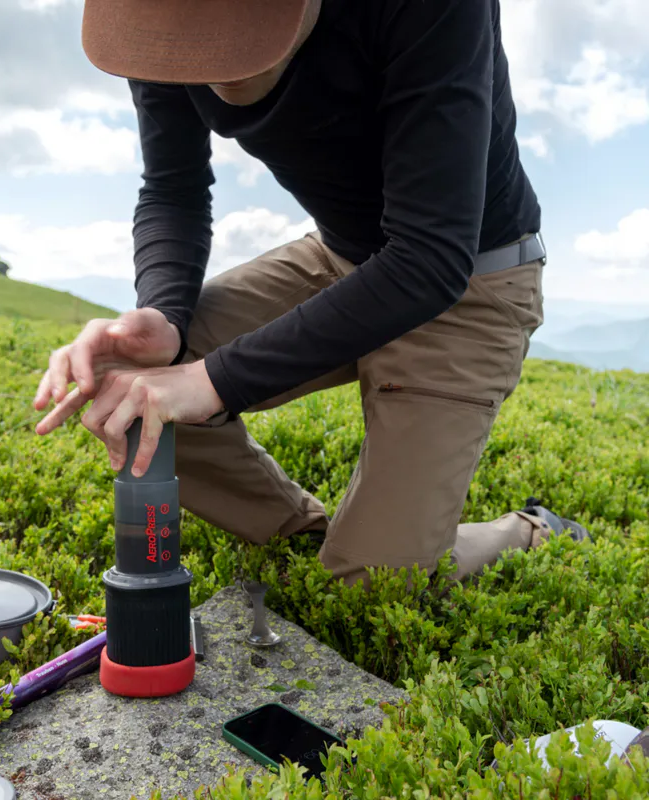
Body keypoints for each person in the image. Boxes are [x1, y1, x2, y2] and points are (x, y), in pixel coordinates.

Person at [33, 0, 590, 589]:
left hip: (471, 282)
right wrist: (164, 313)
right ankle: (316, 535)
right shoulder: (157, 23)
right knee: (132, 383)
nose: (217, 73)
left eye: (234, 31)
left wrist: (213, 380)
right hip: (339, 257)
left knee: (367, 587)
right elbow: (173, 189)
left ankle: (525, 530)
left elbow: (431, 256)